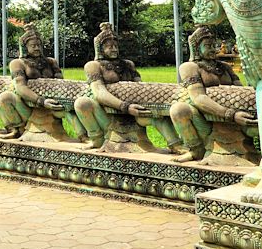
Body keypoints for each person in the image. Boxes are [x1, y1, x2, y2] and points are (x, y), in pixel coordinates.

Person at [73, 22, 184, 152]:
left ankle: (177, 146)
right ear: (100, 49)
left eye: (116, 46)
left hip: (133, 110)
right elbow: (99, 93)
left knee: (157, 117)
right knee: (81, 103)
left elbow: (139, 87)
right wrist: (125, 107)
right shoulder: (93, 66)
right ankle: (97, 139)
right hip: (108, 111)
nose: (114, 49)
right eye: (109, 47)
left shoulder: (128, 64)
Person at [170, 25, 256, 163]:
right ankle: (196, 150)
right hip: (206, 118)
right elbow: (198, 97)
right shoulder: (189, 67)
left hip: (236, 116)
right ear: (196, 48)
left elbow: (240, 89)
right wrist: (230, 114)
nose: (213, 49)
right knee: (178, 109)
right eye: (208, 46)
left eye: (214, 45)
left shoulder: (225, 67)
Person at [0, 24, 65, 139]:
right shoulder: (17, 63)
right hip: (29, 105)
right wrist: (41, 101)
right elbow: (20, 87)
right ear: (25, 47)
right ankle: (18, 129)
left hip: (53, 103)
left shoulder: (51, 62)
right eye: (33, 46)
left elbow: (60, 82)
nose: (37, 48)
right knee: (5, 97)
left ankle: (84, 136)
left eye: (39, 45)